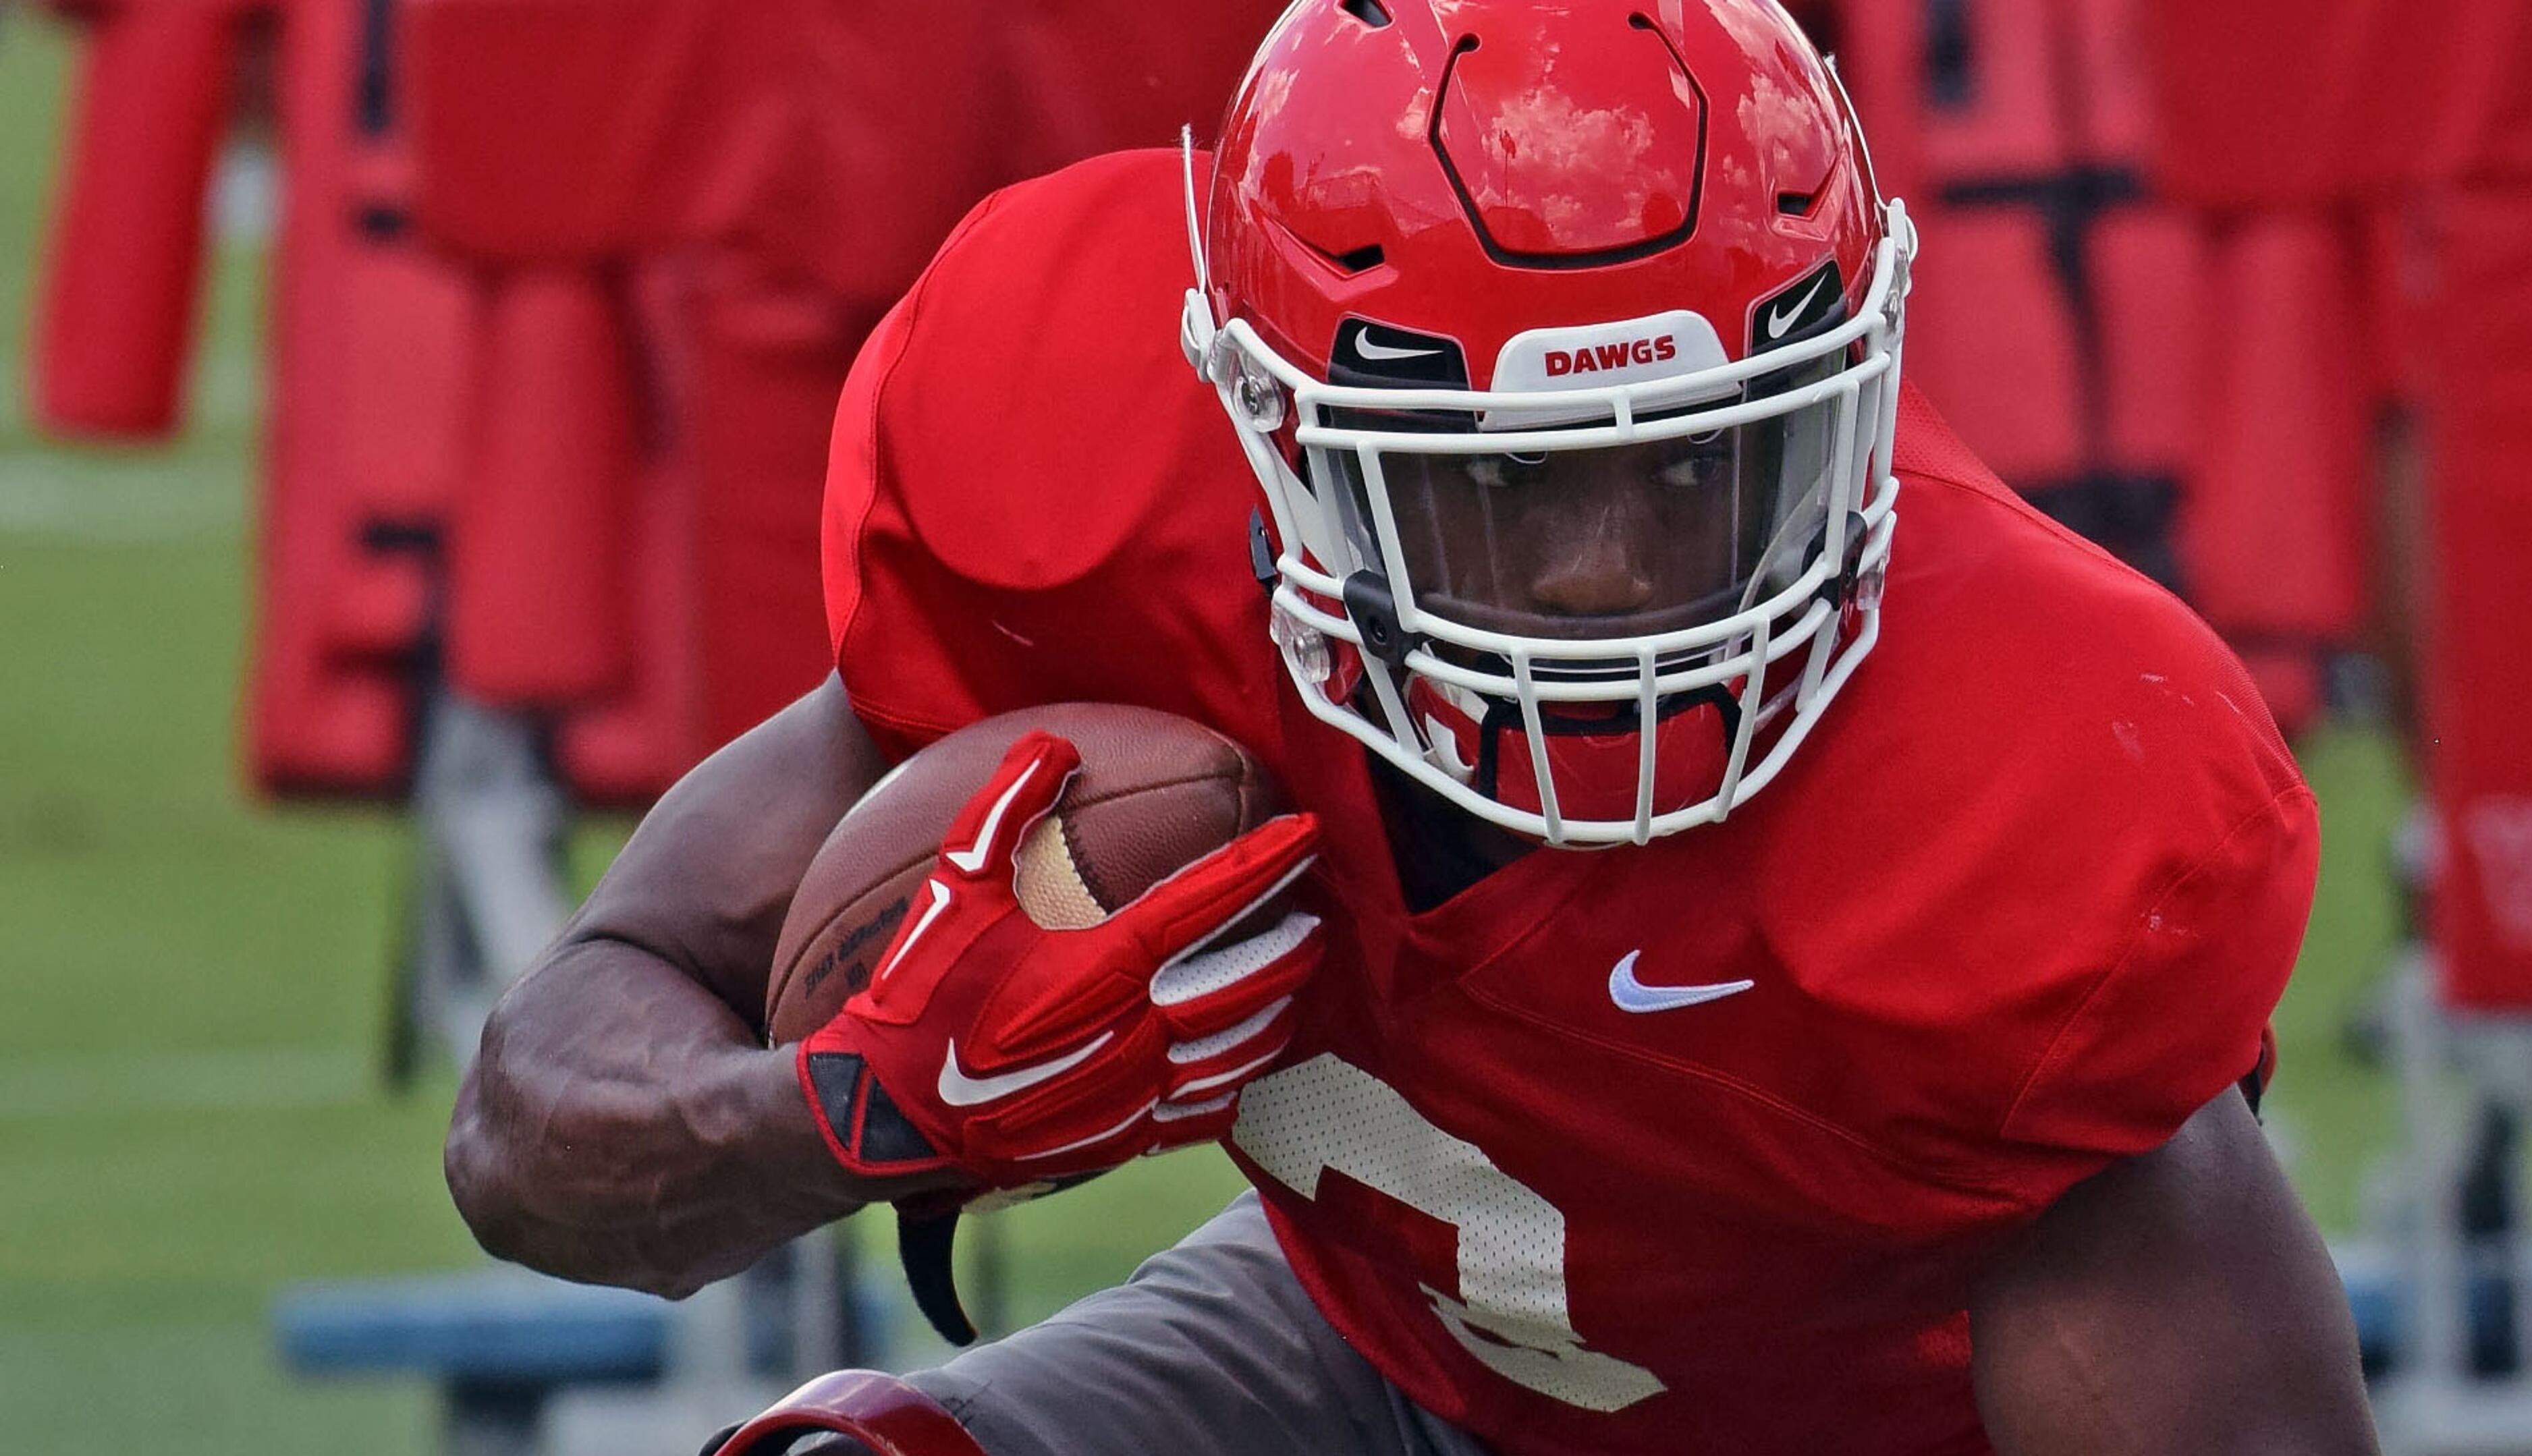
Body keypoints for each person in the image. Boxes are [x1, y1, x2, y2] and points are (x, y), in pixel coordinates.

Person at [443, 3, 2381, 1452]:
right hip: (1364, 1360)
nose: (1620, 568)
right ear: (1272, 429)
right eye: (1510, 484)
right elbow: (529, 1138)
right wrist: (850, 1111)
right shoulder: (1104, 500)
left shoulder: (2029, 786)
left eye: (1699, 462)